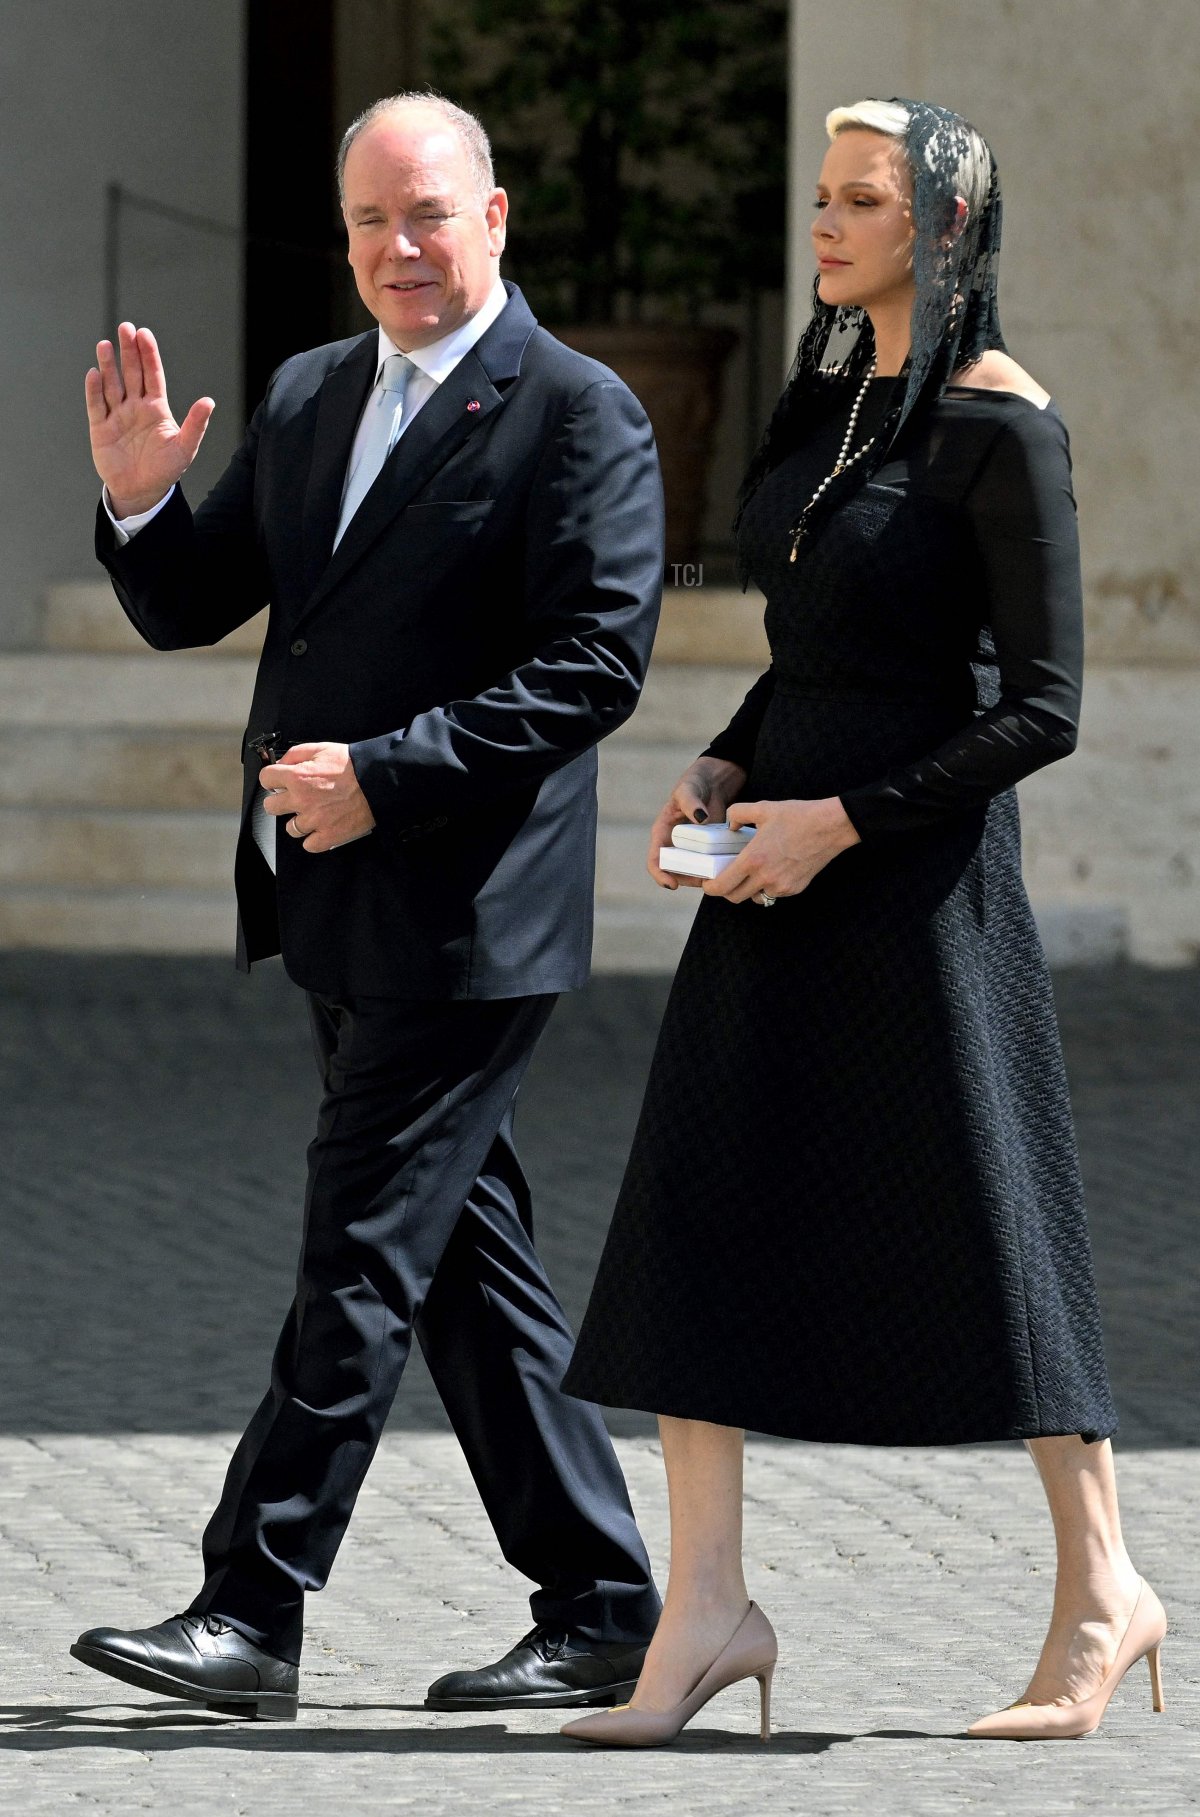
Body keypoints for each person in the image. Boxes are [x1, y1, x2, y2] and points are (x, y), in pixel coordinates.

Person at [558, 97, 1167, 1747]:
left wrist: (841, 819)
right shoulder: (824, 397)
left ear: (943, 224)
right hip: (770, 865)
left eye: (861, 201)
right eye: (820, 198)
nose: (823, 226)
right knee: (701, 1202)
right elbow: (820, 630)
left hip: (919, 885)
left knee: (998, 1222)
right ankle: (706, 1611)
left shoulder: (1001, 424)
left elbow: (1040, 708)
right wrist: (735, 751)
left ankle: (1108, 1586)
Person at [70, 91, 664, 1721]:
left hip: (470, 914)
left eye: (427, 215)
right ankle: (608, 1603)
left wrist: (388, 775)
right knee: (462, 1263)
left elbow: (595, 664)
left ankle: (251, 1605)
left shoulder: (578, 411)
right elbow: (203, 602)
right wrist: (140, 507)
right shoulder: (315, 392)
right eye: (368, 224)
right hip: (329, 896)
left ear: (492, 217)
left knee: (358, 1251)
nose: (398, 249)